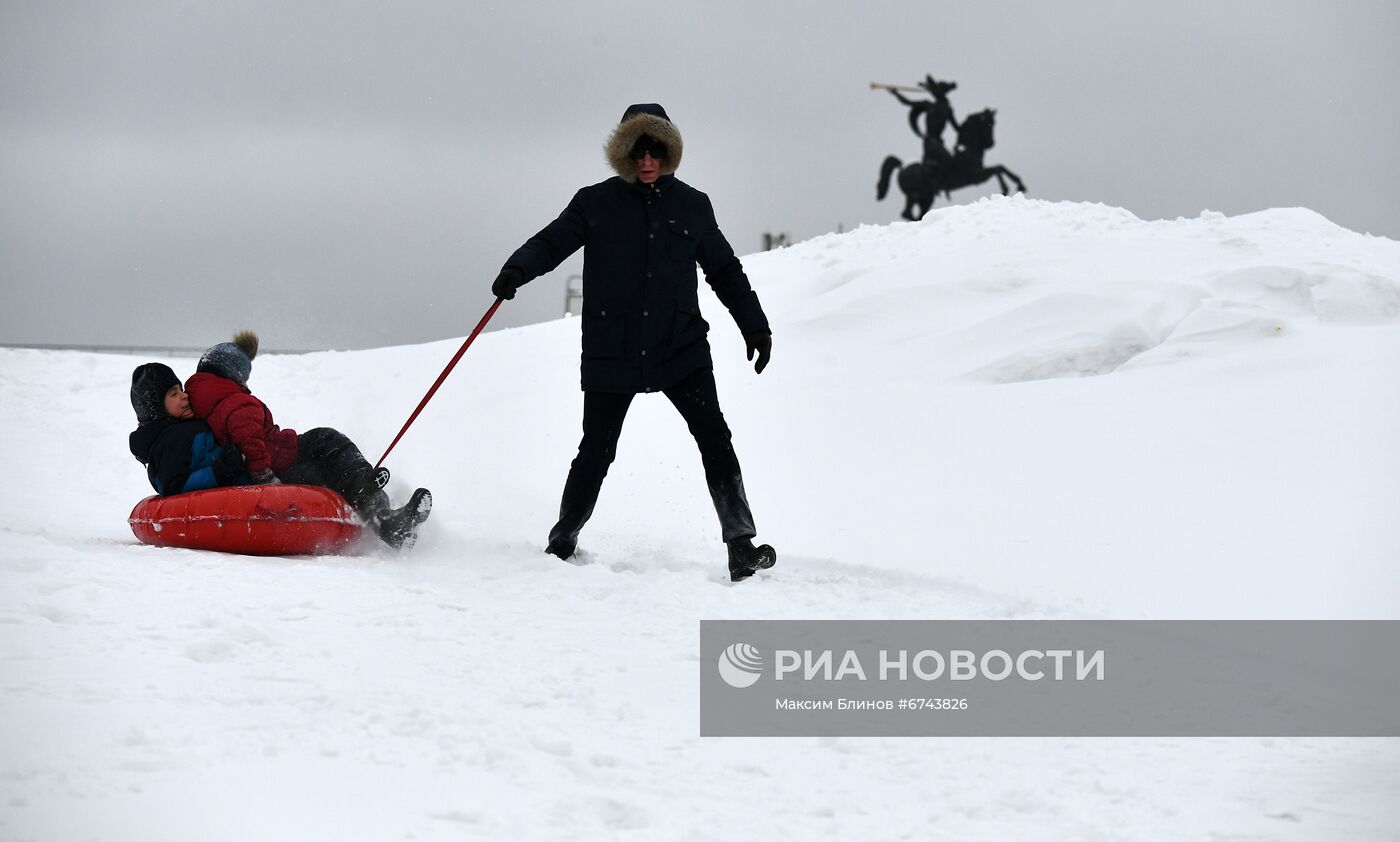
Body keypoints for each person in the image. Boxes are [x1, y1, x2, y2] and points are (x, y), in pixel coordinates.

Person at [491, 102, 777, 582]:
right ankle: (563, 540)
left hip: (680, 347)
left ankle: (740, 545)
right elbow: (552, 240)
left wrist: (756, 326)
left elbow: (724, 270)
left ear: (669, 153)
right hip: (613, 349)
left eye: (657, 152)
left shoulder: (692, 205)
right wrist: (517, 268)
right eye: (638, 152)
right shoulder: (594, 203)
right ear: (623, 154)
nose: (648, 162)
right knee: (596, 451)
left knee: (715, 439)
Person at [184, 331, 434, 550]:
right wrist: (265, 478)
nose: (246, 384)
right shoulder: (236, 400)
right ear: (234, 374)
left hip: (278, 459)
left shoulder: (202, 397)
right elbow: (250, 441)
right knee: (328, 441)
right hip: (281, 459)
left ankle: (378, 507)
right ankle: (377, 506)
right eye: (244, 379)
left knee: (328, 473)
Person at [129, 362, 249, 495]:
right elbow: (174, 486)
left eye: (181, 389)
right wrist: (222, 471)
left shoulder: (187, 426)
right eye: (174, 394)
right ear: (157, 407)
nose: (184, 395)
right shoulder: (171, 439)